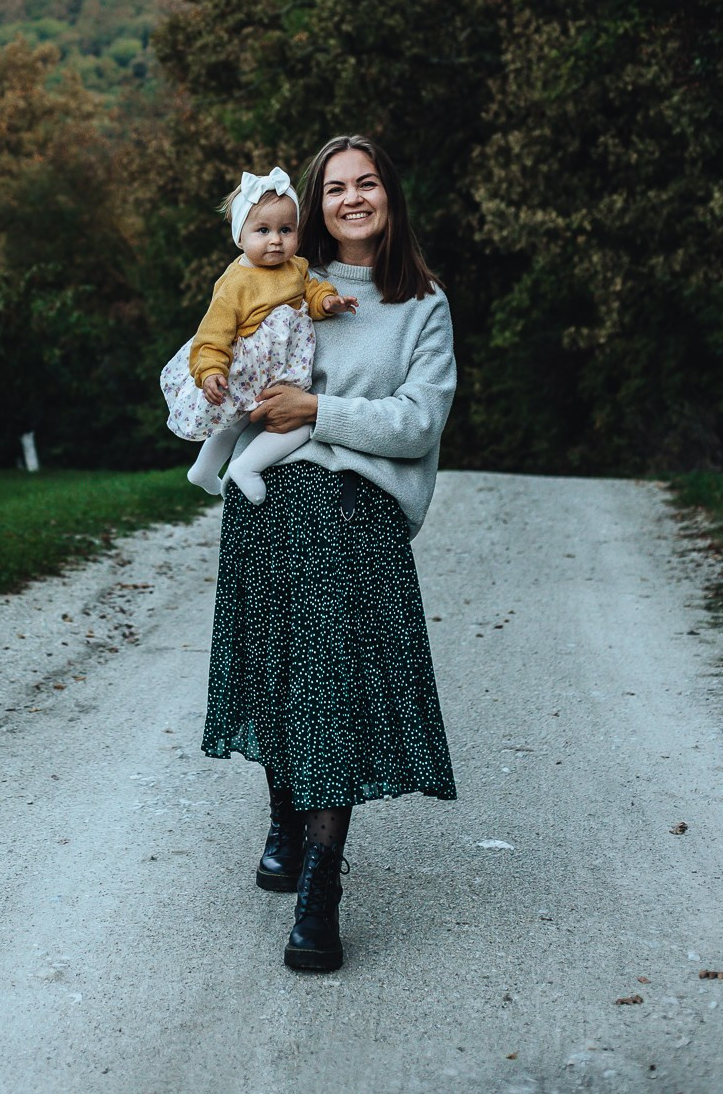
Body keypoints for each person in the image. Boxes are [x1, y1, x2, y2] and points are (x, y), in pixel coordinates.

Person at [201, 134, 458, 974]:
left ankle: (321, 888)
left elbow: (418, 421)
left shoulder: (422, 305)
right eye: (336, 186)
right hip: (271, 506)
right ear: (315, 201)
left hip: (355, 514)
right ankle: (284, 809)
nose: (353, 198)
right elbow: (223, 361)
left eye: (368, 183)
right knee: (279, 672)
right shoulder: (273, 279)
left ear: (390, 196)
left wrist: (317, 409)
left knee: (333, 697)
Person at [160, 167, 357, 503]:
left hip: (279, 372)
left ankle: (221, 468)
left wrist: (328, 301)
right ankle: (231, 467)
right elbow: (212, 333)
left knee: (283, 422)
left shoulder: (295, 267)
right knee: (254, 422)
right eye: (262, 230)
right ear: (240, 237)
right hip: (246, 371)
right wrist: (210, 371)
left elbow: (312, 290)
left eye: (286, 229)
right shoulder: (235, 282)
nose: (276, 240)